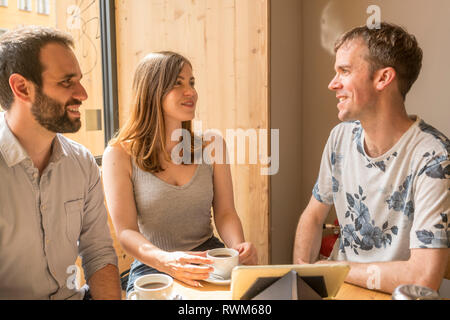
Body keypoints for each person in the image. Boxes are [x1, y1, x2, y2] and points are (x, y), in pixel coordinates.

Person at [293, 22, 449, 293]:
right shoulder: (339, 139)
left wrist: (333, 270)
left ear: (382, 78)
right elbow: (313, 216)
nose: (332, 84)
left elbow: (424, 279)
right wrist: (302, 277)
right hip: (340, 288)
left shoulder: (434, 158)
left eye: (344, 71)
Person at [102, 51, 258, 295]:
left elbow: (226, 212)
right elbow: (126, 232)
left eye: (191, 82)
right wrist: (166, 261)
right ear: (152, 90)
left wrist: (237, 248)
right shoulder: (119, 154)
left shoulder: (213, 146)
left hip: (209, 259)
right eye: (178, 83)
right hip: (152, 265)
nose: (191, 92)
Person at [0, 26, 121, 299]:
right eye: (67, 82)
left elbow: (98, 253)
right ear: (22, 87)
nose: (83, 94)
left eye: (78, 80)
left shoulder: (82, 162)